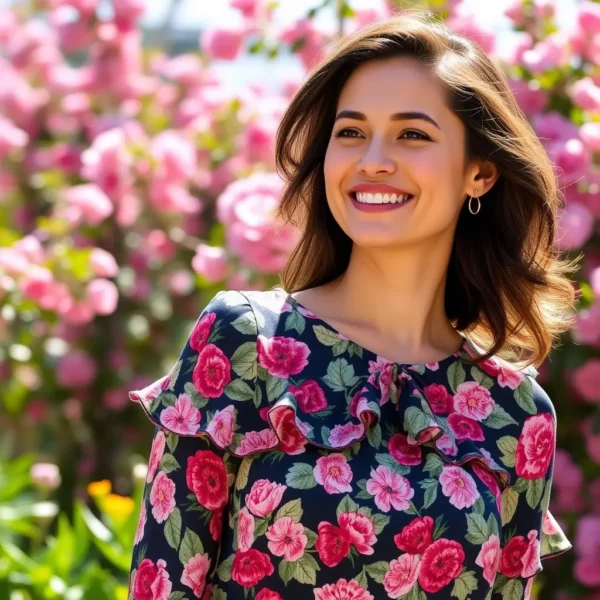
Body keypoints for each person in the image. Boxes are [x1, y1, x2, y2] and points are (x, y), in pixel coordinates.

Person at [127, 10, 576, 600]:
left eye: (412, 134)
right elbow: (160, 584)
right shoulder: (246, 344)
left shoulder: (515, 414)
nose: (373, 160)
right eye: (351, 132)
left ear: (481, 173)